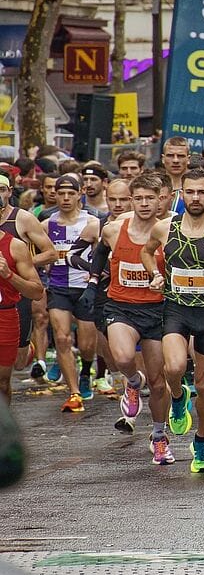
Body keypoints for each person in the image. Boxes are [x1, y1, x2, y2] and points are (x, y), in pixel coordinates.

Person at [141, 169, 204, 473]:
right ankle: (177, 395)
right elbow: (147, 253)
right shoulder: (164, 228)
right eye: (190, 192)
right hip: (176, 308)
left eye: (202, 192)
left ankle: (201, 441)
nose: (195, 198)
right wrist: (155, 274)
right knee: (173, 367)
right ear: (179, 194)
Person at [92, 173, 172, 460]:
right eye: (138, 198)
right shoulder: (114, 229)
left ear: (160, 199)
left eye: (150, 198)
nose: (144, 203)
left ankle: (160, 436)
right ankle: (132, 382)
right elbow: (100, 252)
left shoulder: (169, 230)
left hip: (158, 309)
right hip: (121, 306)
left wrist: (164, 280)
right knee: (124, 357)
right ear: (131, 200)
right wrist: (92, 282)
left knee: (159, 381)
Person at [44, 175, 101, 412]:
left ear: (80, 194)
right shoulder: (47, 224)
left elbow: (101, 253)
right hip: (58, 287)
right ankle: (74, 391)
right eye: (61, 194)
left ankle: (87, 370)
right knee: (63, 338)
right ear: (54, 195)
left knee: (87, 344)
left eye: (71, 193)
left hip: (84, 288)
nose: (66, 198)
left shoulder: (92, 222)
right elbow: (36, 251)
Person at [0, 223, 45, 402]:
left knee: (2, 383)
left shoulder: (15, 246)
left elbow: (36, 291)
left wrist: (8, 274)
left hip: (5, 316)